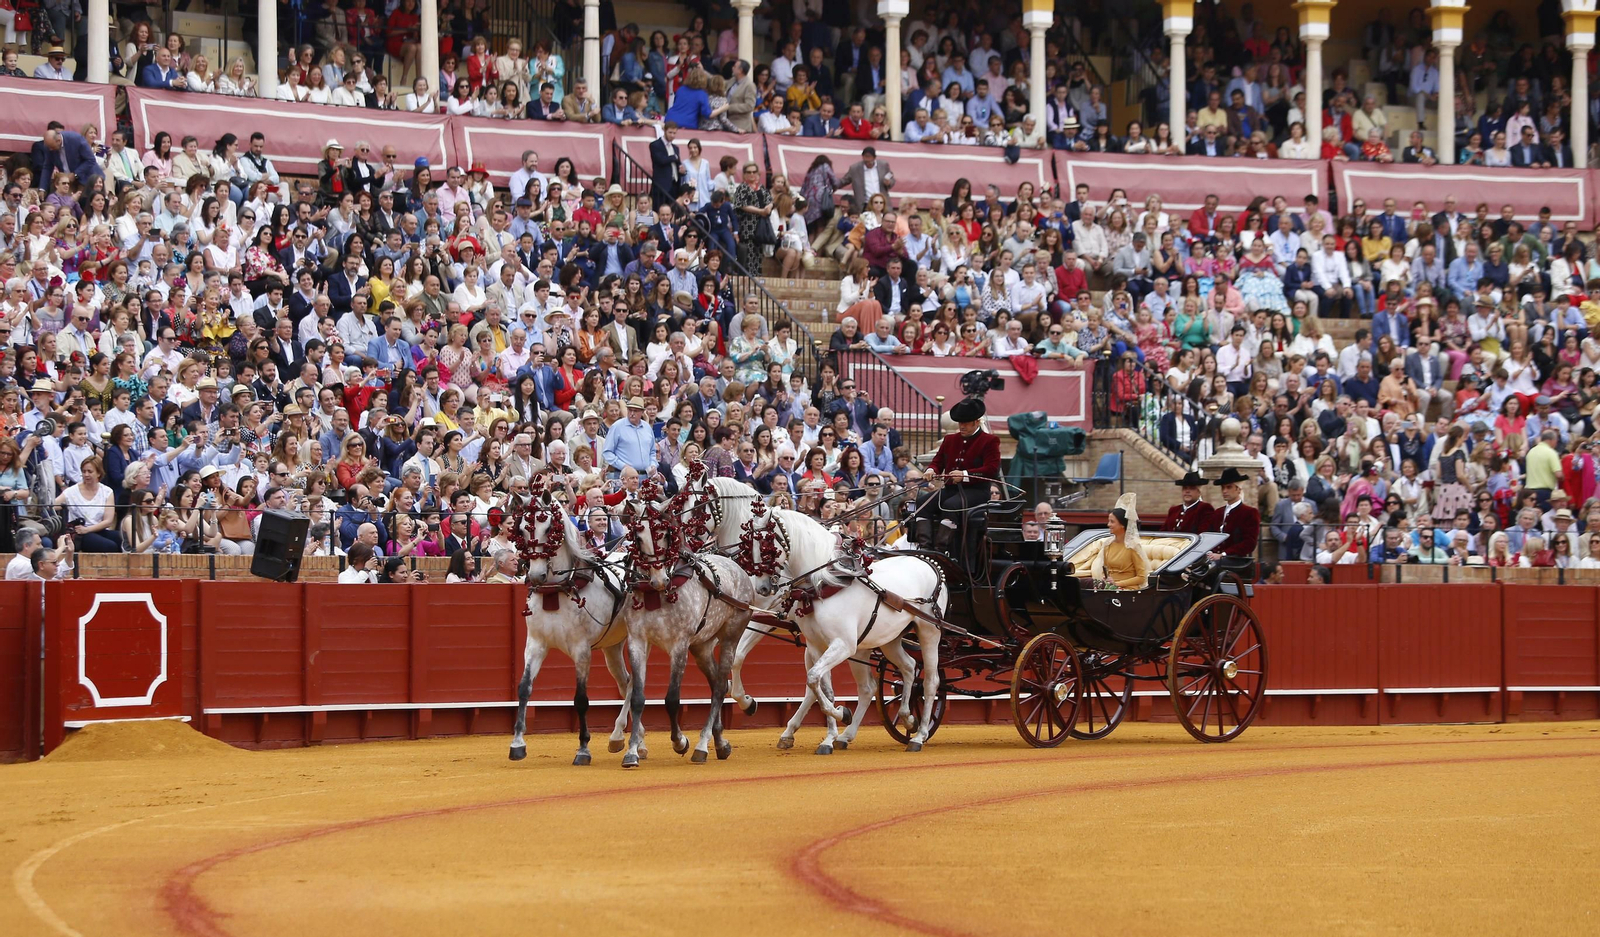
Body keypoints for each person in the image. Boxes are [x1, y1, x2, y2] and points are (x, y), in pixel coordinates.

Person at [925, 396, 1000, 559]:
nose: (961, 426)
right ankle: (924, 548)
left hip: (976, 492)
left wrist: (965, 475)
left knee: (950, 505)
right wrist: (931, 470)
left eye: (966, 423)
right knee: (922, 502)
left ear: (977, 422)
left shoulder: (990, 441)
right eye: (960, 423)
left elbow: (991, 470)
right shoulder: (950, 440)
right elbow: (938, 461)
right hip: (951, 490)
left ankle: (941, 550)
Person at [1205, 467, 1260, 577]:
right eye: (1223, 487)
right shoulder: (1218, 513)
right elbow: (1209, 536)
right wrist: (1210, 553)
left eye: (1229, 487)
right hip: (1215, 559)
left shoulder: (1249, 512)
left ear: (1238, 489)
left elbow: (1249, 543)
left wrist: (1224, 554)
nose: (1225, 491)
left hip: (1236, 560)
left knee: (1211, 566)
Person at [1090, 493, 1150, 590]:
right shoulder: (1108, 544)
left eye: (1112, 522)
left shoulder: (1132, 546)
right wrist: (1106, 580)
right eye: (1109, 521)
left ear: (1122, 525)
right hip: (1111, 587)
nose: (1108, 525)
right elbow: (1106, 571)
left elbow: (1141, 577)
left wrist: (1118, 584)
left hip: (1127, 589)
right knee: (1084, 583)